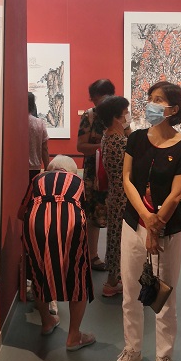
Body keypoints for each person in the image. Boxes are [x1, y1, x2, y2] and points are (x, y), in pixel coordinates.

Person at [111, 81, 181, 361]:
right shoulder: (135, 139)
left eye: (159, 100)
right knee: (131, 291)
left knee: (165, 294)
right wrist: (146, 218)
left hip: (168, 228)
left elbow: (177, 193)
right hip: (134, 223)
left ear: (173, 108)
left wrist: (156, 225)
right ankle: (132, 350)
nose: (151, 104)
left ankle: (164, 356)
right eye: (150, 98)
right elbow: (127, 179)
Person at [19, 155, 95, 350]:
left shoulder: (37, 179)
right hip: (71, 220)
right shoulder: (77, 181)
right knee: (77, 274)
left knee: (39, 270)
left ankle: (47, 322)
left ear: (51, 169)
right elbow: (84, 210)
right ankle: (74, 336)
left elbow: (21, 212)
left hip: (36, 222)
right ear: (71, 171)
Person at [77, 79, 116, 271]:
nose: (97, 103)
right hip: (94, 174)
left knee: (117, 213)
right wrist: (103, 147)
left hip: (117, 172)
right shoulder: (90, 116)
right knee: (93, 213)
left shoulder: (120, 114)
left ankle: (116, 257)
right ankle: (92, 256)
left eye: (99, 99)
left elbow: (130, 138)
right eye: (94, 100)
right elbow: (81, 146)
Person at [95, 95, 131, 297]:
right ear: (116, 118)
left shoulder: (107, 137)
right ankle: (114, 280)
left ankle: (113, 279)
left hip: (115, 194)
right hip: (124, 195)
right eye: (125, 113)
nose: (128, 116)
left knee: (115, 235)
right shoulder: (120, 142)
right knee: (121, 238)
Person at [28, 92, 49, 181]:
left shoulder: (16, 122)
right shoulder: (40, 123)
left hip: (18, 166)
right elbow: (44, 148)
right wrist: (47, 167)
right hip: (35, 167)